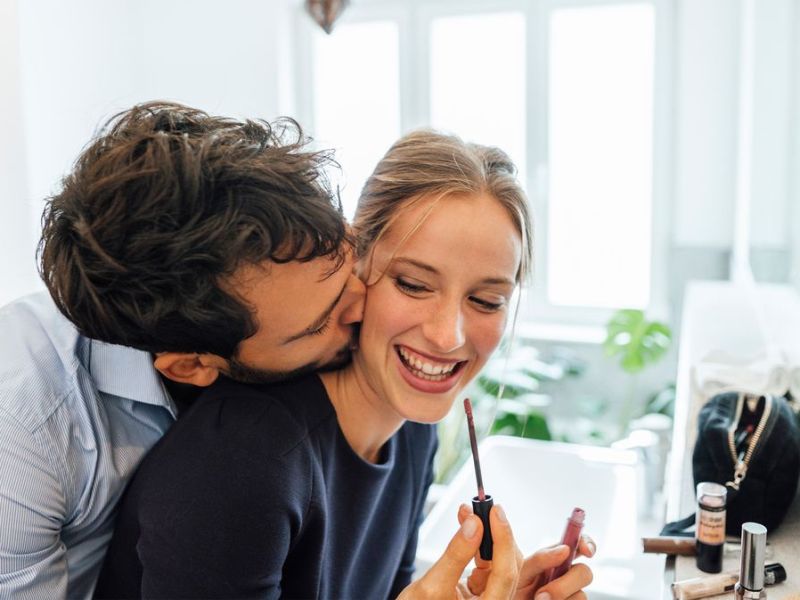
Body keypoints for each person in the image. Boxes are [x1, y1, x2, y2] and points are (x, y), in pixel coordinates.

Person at [95, 130, 595, 599]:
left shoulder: (412, 433)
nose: (449, 336)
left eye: (486, 301)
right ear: (353, 262)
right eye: (413, 285)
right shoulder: (245, 458)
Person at [0, 102, 367, 599]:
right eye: (323, 321)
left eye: (351, 260)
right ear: (193, 366)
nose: (366, 304)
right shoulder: (24, 428)